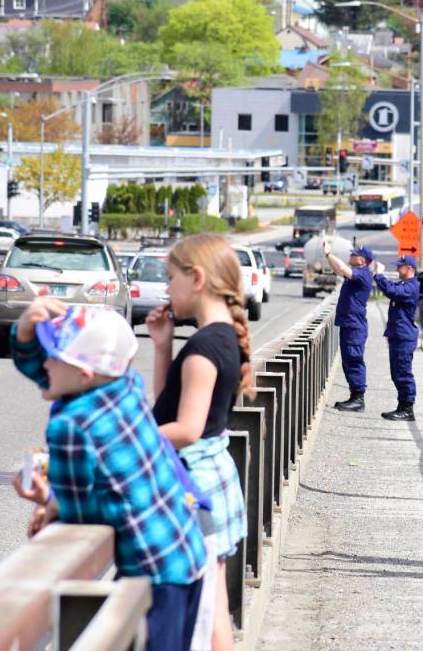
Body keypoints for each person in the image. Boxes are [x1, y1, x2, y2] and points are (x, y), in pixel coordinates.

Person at [11, 300, 207, 651]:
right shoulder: (124, 384)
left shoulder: (70, 425)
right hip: (185, 547)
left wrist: (48, 501)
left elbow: (81, 516)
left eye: (52, 354)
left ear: (83, 374)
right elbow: (54, 377)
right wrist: (26, 330)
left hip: (154, 571)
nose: (42, 362)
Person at [148, 233, 254, 651]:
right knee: (214, 608)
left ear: (196, 278)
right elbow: (169, 413)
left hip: (196, 487)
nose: (166, 288)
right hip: (214, 480)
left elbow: (186, 428)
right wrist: (162, 348)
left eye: (171, 277)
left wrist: (125, 442)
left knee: (208, 616)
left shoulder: (204, 347)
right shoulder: (221, 337)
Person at [324, 240, 374, 411]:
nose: (351, 256)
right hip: (348, 323)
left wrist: (329, 254)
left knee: (353, 360)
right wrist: (328, 256)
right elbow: (339, 269)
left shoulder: (363, 274)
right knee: (348, 361)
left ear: (362, 260)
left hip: (355, 325)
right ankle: (354, 396)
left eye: (354, 255)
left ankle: (358, 399)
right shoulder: (356, 272)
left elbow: (343, 269)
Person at [374, 255, 420, 421]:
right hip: (398, 335)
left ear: (409, 269)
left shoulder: (410, 287)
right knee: (397, 372)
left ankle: (407, 409)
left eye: (400, 267)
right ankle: (402, 406)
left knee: (403, 373)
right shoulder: (404, 284)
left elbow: (391, 291)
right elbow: (392, 288)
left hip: (404, 336)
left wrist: (379, 275)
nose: (396, 269)